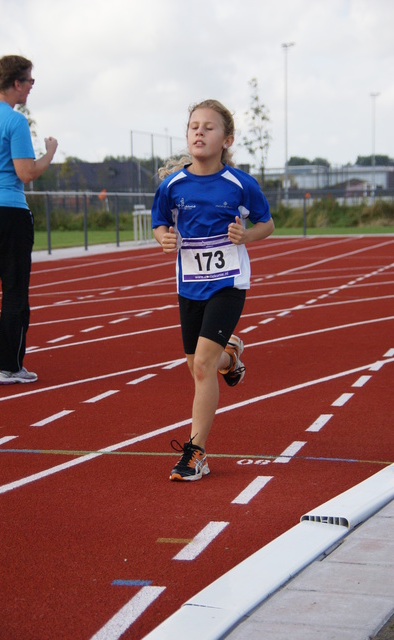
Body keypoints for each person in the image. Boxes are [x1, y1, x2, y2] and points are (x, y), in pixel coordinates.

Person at [151, 99, 274, 481]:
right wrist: (163, 239)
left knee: (202, 365)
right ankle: (231, 357)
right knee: (198, 365)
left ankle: (195, 454)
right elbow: (158, 223)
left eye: (209, 127)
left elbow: (266, 224)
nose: (199, 132)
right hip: (189, 284)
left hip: (228, 282)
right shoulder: (172, 186)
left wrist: (245, 234)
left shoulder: (239, 183)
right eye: (193, 126)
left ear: (227, 139)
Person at [0, 55, 58, 385]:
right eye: (30, 81)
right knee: (15, 292)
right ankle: (8, 367)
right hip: (7, 211)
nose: (32, 87)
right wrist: (49, 152)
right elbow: (26, 172)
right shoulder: (14, 120)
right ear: (16, 83)